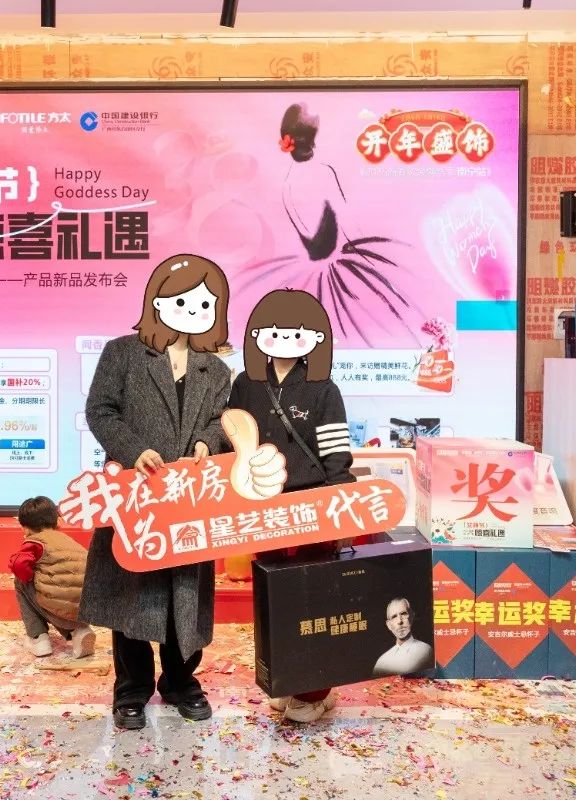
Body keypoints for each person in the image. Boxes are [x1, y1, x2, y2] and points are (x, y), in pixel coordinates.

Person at [79, 253, 232, 731]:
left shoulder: (216, 370)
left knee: (186, 597)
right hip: (136, 494)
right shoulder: (123, 353)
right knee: (132, 594)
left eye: (204, 303)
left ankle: (181, 683)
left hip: (190, 498)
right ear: (157, 301)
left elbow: (221, 423)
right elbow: (100, 411)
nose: (192, 310)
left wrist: (208, 442)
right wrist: (134, 450)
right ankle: (131, 690)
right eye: (181, 300)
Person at [227, 288, 356, 723]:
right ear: (257, 335)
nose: (285, 339)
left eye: (298, 333)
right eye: (275, 331)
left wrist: (340, 503)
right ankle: (286, 680)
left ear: (316, 339)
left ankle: (315, 690)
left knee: (313, 599)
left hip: (311, 506)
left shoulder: (323, 388)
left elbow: (336, 453)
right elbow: (233, 440)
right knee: (274, 599)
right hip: (264, 508)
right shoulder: (246, 385)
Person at [234, 102, 424, 349]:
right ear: (313, 140)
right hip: (343, 264)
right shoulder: (324, 173)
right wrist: (370, 259)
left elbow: (307, 235)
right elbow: (347, 224)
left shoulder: (287, 184)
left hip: (315, 272)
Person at [9, 496, 96, 659]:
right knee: (63, 591)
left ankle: (38, 638)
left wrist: (29, 577)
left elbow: (18, 564)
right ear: (57, 521)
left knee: (20, 582)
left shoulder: (35, 543)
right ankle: (80, 630)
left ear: (25, 528)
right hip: (83, 611)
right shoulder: (69, 541)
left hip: (59, 612)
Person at [372, 598, 434, 678]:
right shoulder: (382, 661)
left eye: (403, 614)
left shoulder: (425, 650)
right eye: (394, 617)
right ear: (389, 625)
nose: (400, 621)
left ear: (411, 616)